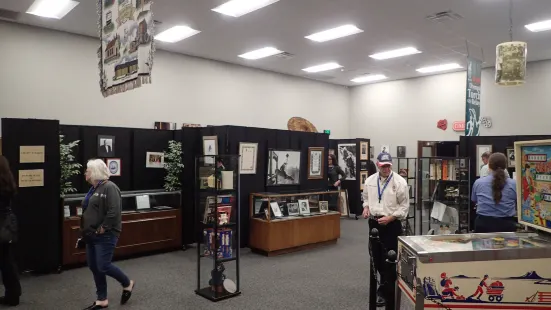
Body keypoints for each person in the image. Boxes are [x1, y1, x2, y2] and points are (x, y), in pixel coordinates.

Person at [81, 159, 135, 309]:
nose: (85, 173)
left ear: (95, 172)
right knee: (94, 266)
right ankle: (102, 299)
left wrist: (103, 228)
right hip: (91, 234)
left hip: (106, 234)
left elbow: (114, 211)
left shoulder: (110, 187)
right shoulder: (94, 188)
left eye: (88, 170)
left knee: (103, 265)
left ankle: (127, 283)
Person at [362, 152, 409, 306]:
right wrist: (366, 208)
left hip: (391, 225)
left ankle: (385, 292)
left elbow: (404, 207)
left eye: (388, 165)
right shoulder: (369, 181)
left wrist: (391, 217)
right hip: (374, 224)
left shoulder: (400, 182)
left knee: (390, 258)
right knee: (375, 257)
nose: (386, 168)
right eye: (383, 166)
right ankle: (381, 287)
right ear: (378, 165)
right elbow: (366, 198)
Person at [472, 153, 517, 233]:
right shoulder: (514, 184)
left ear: (489, 166)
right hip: (506, 225)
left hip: (483, 224)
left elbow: (474, 200)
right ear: (505, 166)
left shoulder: (478, 183)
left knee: (481, 246)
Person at [0, 156, 21, 307]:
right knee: (7, 261)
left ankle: (12, 294)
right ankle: (13, 294)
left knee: (6, 262)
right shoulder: (8, 183)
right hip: (7, 225)